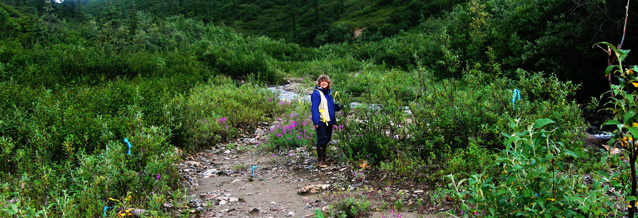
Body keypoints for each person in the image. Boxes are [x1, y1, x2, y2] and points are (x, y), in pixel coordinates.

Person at [311, 75, 337, 168]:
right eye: (322, 81)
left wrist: (337, 107)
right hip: (321, 121)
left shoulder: (328, 93)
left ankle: (324, 158)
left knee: (327, 138)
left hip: (329, 120)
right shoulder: (316, 93)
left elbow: (330, 106)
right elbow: (314, 108)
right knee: (322, 139)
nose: (324, 83)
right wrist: (316, 121)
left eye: (325, 81)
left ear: (328, 83)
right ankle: (320, 160)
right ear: (319, 83)